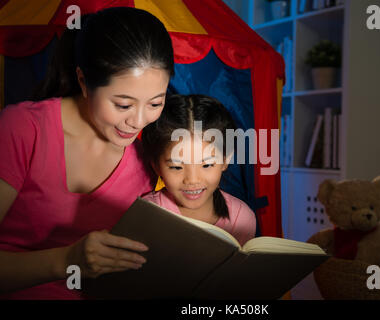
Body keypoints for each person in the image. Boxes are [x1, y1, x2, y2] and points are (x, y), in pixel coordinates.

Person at [0, 7, 174, 299]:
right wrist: (67, 260)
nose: (138, 121)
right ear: (83, 82)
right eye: (123, 104)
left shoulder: (148, 157)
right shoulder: (22, 129)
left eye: (155, 103)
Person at [141, 94, 256, 246]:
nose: (193, 180)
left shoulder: (241, 218)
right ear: (156, 166)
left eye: (207, 165)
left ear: (225, 160)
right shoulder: (144, 216)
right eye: (177, 167)